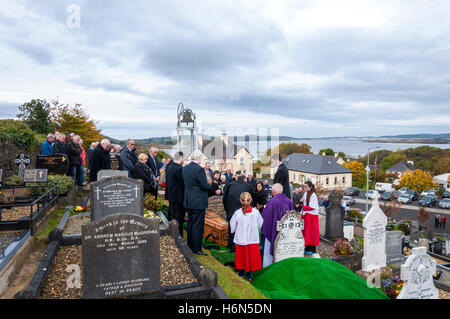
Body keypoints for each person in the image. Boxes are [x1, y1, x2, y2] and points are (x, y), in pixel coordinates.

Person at [230, 192, 263, 283]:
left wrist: (236, 230)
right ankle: (249, 276)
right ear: (251, 200)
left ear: (240, 201)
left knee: (241, 257)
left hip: (241, 239)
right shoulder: (255, 212)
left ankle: (241, 274)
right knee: (250, 258)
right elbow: (261, 224)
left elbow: (232, 227)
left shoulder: (237, 213)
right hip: (252, 239)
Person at [182, 152, 211, 255]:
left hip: (188, 200)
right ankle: (196, 248)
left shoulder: (185, 168)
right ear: (199, 159)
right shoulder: (199, 169)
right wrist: (209, 184)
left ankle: (190, 245)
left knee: (190, 224)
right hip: (198, 202)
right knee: (197, 226)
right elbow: (204, 185)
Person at [261, 183, 294, 267]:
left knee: (268, 252)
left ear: (273, 191)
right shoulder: (289, 201)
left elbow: (265, 216)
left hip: (272, 231)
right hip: (285, 233)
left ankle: (268, 269)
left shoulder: (272, 201)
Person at [222, 172, 252, 251]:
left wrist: (226, 209)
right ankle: (242, 244)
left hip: (231, 208)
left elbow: (224, 198)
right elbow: (251, 198)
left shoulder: (230, 184)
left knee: (232, 226)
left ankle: (231, 244)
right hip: (243, 208)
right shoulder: (247, 186)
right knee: (242, 226)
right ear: (244, 180)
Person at [166, 151, 185, 235]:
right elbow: (182, 183)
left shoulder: (169, 166)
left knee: (172, 215)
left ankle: (172, 231)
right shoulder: (179, 169)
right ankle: (178, 234)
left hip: (171, 195)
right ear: (180, 158)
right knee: (179, 217)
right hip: (178, 196)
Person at [300, 181, 320, 256]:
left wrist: (303, 207)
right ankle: (306, 247)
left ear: (310, 187)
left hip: (311, 217)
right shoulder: (306, 193)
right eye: (304, 186)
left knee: (311, 232)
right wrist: (302, 200)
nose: (304, 188)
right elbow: (305, 202)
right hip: (306, 216)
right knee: (306, 232)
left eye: (306, 187)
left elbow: (313, 207)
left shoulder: (313, 195)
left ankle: (312, 249)